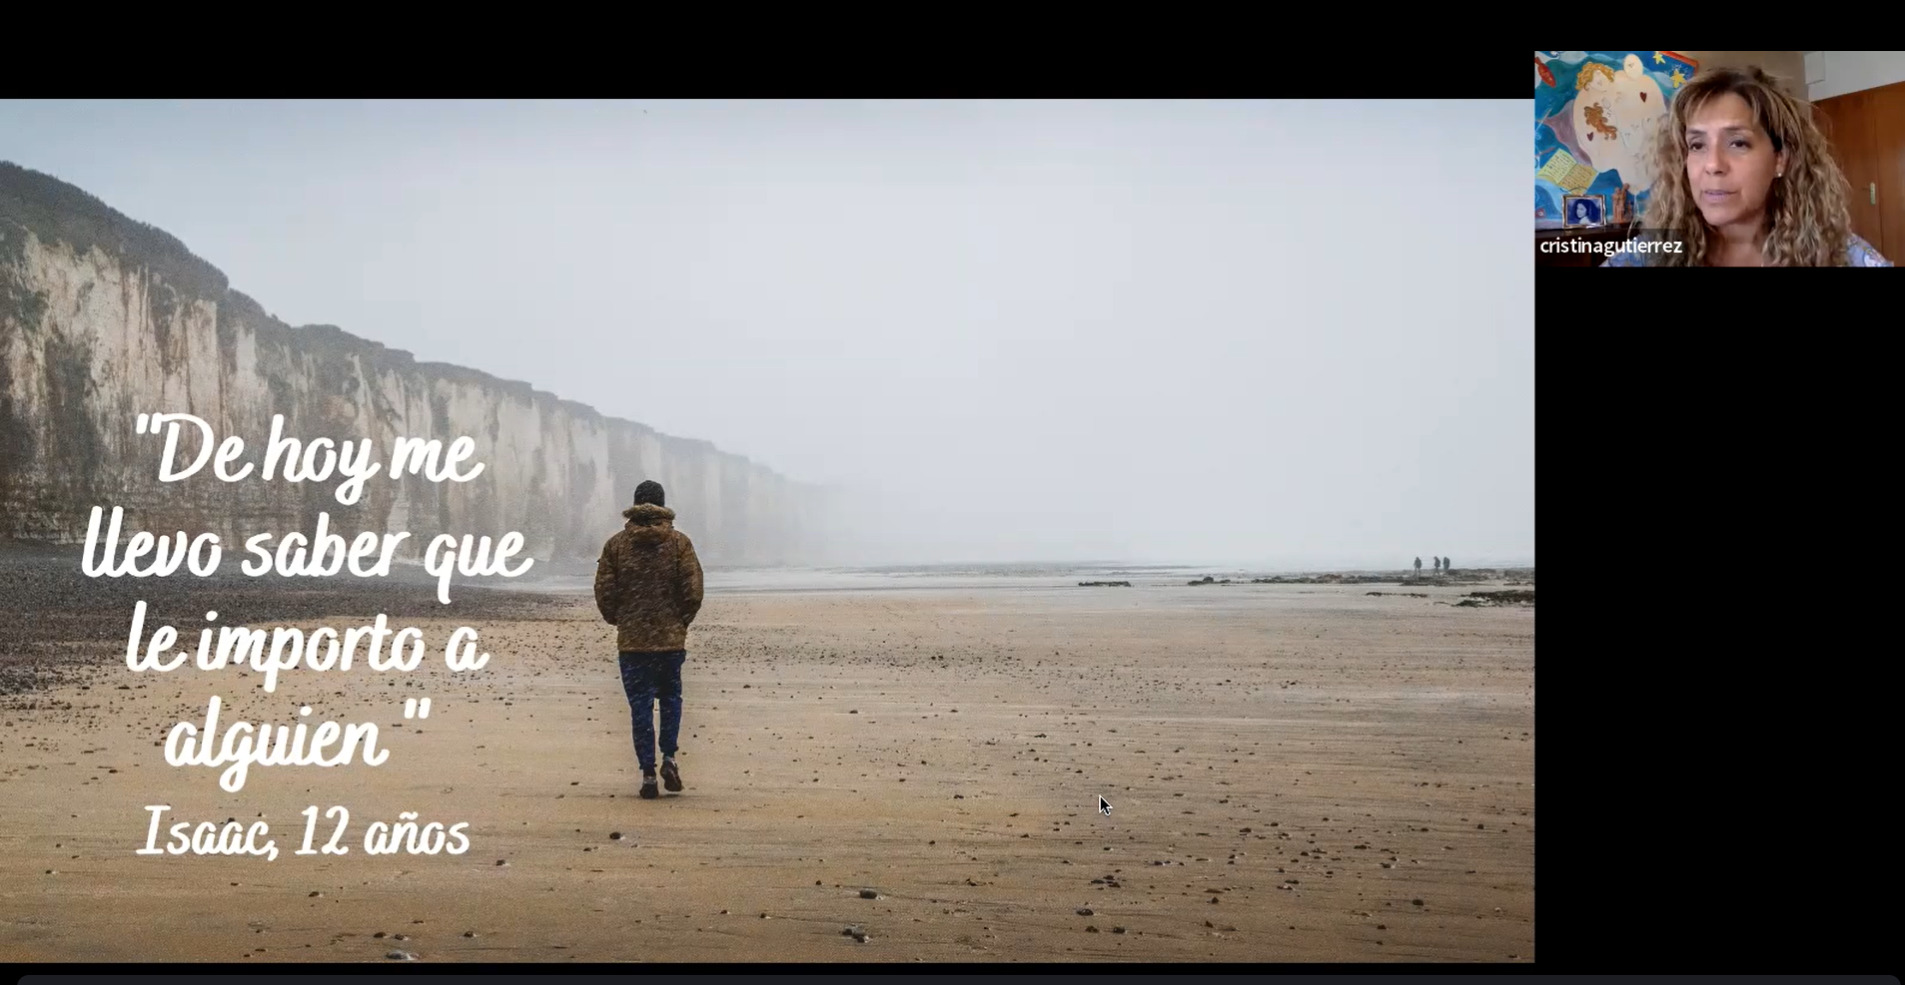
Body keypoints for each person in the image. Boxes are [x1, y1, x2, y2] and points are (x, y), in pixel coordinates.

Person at [1603, 65, 1891, 267]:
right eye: (1697, 145)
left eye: (1738, 143)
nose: (1713, 165)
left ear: (1781, 158)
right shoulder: (1648, 256)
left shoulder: (1841, 255)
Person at [594, 480, 704, 800]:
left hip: (632, 643)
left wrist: (618, 619)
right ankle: (669, 757)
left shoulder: (616, 545)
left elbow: (604, 590)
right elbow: (693, 590)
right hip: (670, 642)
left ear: (635, 503)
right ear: (662, 504)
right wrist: (681, 621)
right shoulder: (680, 543)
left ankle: (647, 773)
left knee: (639, 706)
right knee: (671, 699)